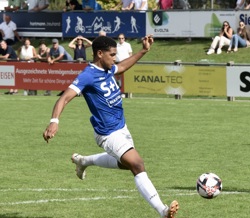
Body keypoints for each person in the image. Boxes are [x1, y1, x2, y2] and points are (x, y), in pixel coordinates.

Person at [42, 35, 180, 218]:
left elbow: (122, 67)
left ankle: (83, 161)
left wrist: (144, 51)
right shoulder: (87, 75)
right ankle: (162, 211)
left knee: (126, 165)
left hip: (122, 127)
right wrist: (54, 122)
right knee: (137, 164)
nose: (115, 58)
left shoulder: (107, 68)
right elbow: (64, 97)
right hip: (107, 133)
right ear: (100, 54)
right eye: (112, 54)